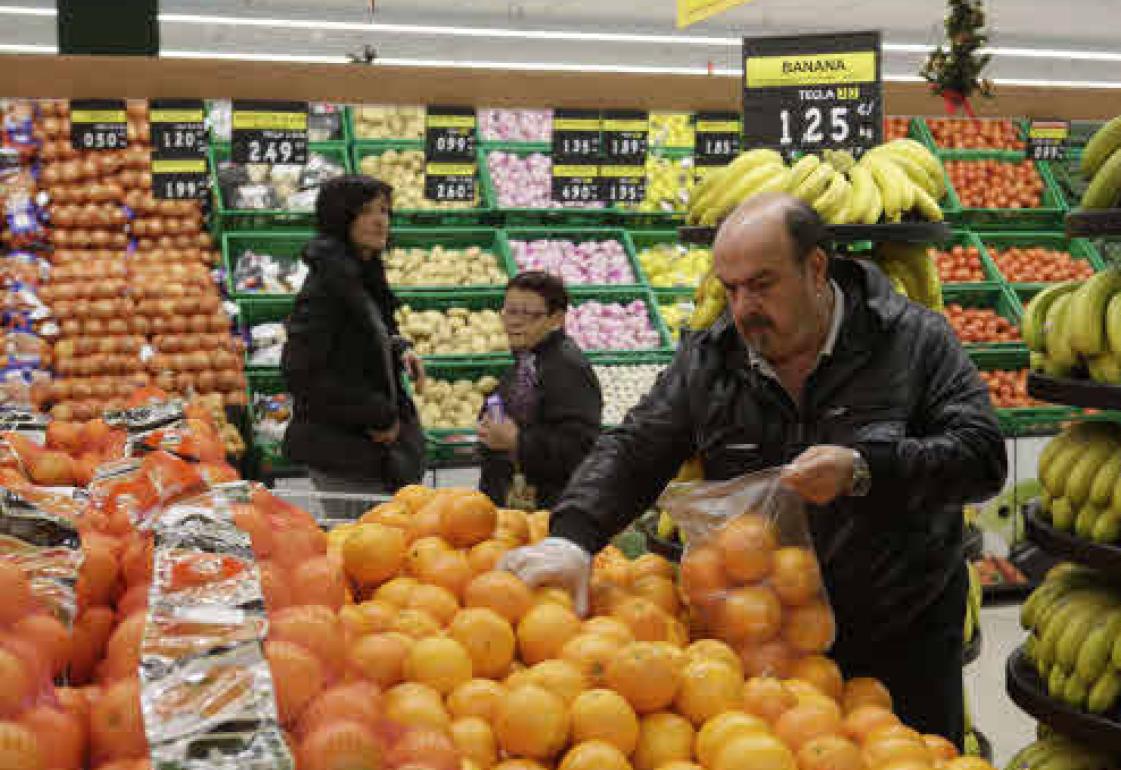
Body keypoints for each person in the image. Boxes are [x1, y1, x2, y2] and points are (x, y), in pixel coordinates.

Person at [500, 192, 1007, 746]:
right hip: (769, 642)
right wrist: (575, 535)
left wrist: (866, 467)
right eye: (731, 288)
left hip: (901, 640)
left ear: (816, 268)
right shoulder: (713, 358)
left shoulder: (912, 340)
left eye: (762, 284)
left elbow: (981, 455)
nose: (743, 308)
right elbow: (637, 446)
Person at [281, 175, 426, 519]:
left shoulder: (360, 271)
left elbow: (370, 328)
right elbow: (301, 372)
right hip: (343, 452)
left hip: (364, 449)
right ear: (340, 218)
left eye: (384, 211)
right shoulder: (326, 288)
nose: (380, 221)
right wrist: (378, 415)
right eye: (366, 212)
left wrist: (398, 348)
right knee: (365, 543)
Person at [478, 271, 603, 510]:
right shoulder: (531, 356)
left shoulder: (567, 368)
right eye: (510, 311)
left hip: (547, 512)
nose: (514, 322)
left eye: (528, 314)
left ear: (556, 318)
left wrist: (517, 441)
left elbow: (581, 447)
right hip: (516, 506)